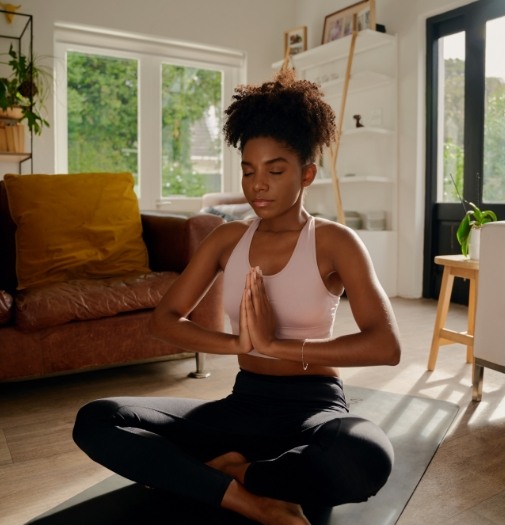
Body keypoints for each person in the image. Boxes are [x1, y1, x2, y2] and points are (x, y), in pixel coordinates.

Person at [73, 68, 401, 525]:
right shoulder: (227, 239)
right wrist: (237, 345)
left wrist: (276, 346)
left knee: (364, 456)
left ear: (306, 173)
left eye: (275, 170)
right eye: (248, 170)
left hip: (314, 408)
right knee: (97, 419)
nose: (257, 184)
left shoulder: (335, 242)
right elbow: (164, 319)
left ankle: (234, 472)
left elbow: (386, 346)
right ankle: (250, 497)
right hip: (240, 407)